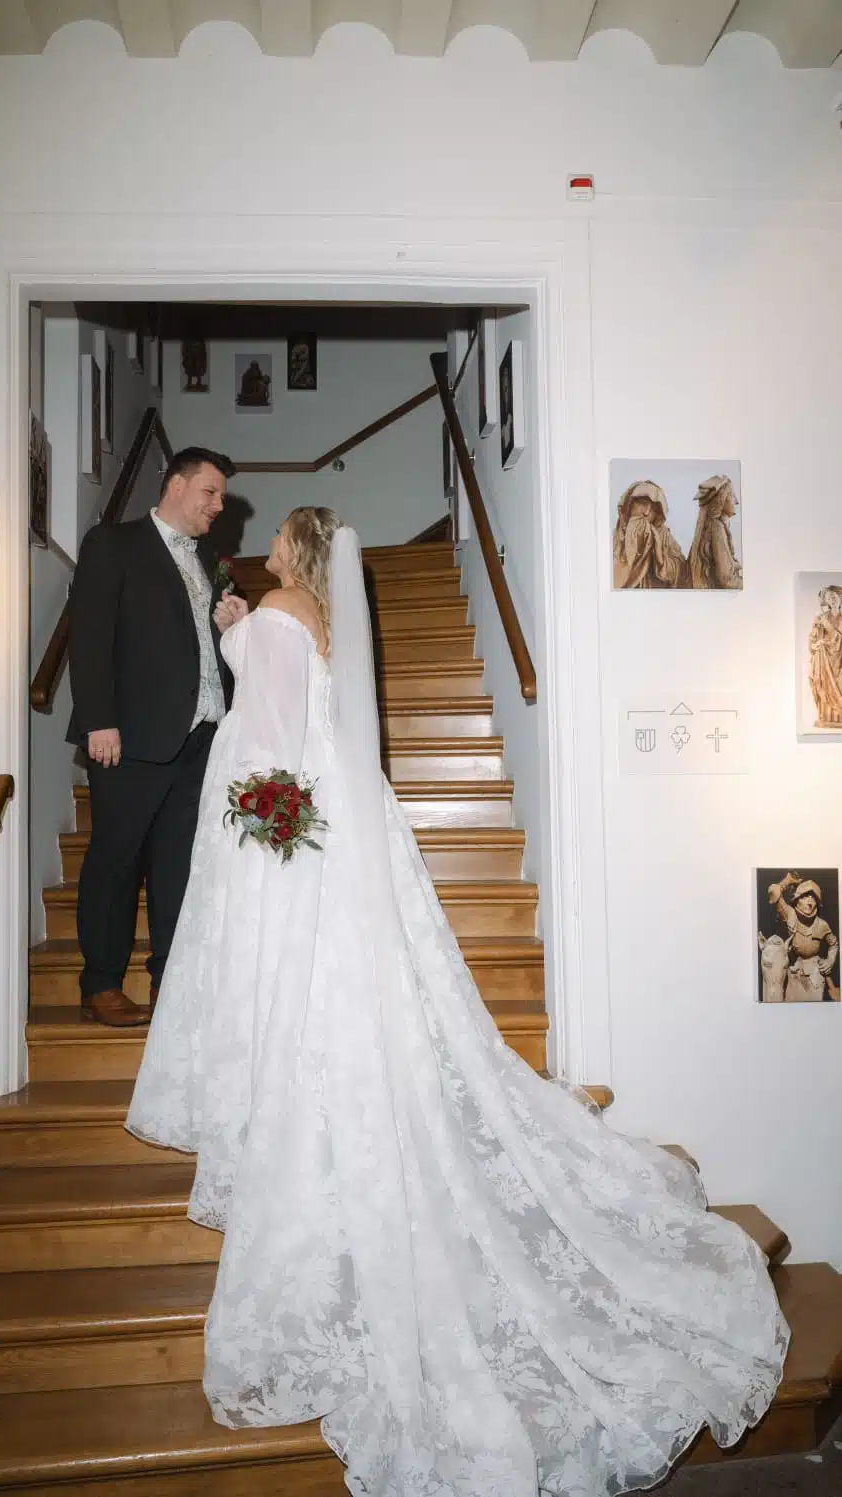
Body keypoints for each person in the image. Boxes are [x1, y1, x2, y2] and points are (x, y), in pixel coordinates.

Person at [127, 507, 787, 1497]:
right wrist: (236, 633)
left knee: (290, 986)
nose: (266, 550)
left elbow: (266, 736)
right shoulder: (324, 621)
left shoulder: (278, 611)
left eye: (279, 542)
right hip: (343, 825)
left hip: (282, 826)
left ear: (295, 552)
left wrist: (250, 784)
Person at [66, 446, 236, 1027]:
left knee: (178, 864)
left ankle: (170, 979)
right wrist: (98, 719)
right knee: (116, 859)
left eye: (222, 496)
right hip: (129, 736)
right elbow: (89, 636)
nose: (219, 505)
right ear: (176, 486)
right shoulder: (112, 544)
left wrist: (231, 626)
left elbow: (197, 646)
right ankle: (101, 983)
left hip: (200, 738)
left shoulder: (208, 558)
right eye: (210, 492)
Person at [767, 872, 839, 1002]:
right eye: (805, 897)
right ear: (796, 899)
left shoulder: (821, 925)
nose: (809, 902)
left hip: (816, 974)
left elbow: (833, 944)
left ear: (817, 903)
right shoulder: (790, 915)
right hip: (795, 971)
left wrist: (830, 960)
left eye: (813, 898)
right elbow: (773, 891)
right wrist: (787, 881)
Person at [612, 480, 689, 589]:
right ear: (629, 503)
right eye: (643, 503)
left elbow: (681, 570)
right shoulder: (613, 538)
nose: (646, 513)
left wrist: (660, 558)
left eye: (653, 510)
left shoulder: (663, 535)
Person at [687, 475, 742, 590]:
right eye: (731, 495)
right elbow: (727, 579)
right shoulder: (717, 527)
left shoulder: (715, 525)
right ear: (721, 499)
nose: (736, 502)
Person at [808, 584, 842, 727]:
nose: (832, 600)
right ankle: (827, 716)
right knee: (823, 685)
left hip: (839, 661)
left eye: (834, 597)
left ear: (840, 598)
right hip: (824, 660)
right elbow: (813, 638)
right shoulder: (821, 618)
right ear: (826, 601)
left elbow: (838, 639)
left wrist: (827, 624)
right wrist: (815, 643)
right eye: (829, 598)